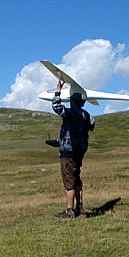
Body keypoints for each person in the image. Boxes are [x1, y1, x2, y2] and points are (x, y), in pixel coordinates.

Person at [50, 80, 95, 218]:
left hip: (68, 152)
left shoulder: (70, 113)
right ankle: (79, 207)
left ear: (73, 101)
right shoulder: (87, 115)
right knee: (77, 179)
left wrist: (58, 91)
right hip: (80, 151)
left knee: (69, 180)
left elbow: (56, 106)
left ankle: (70, 211)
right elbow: (91, 126)